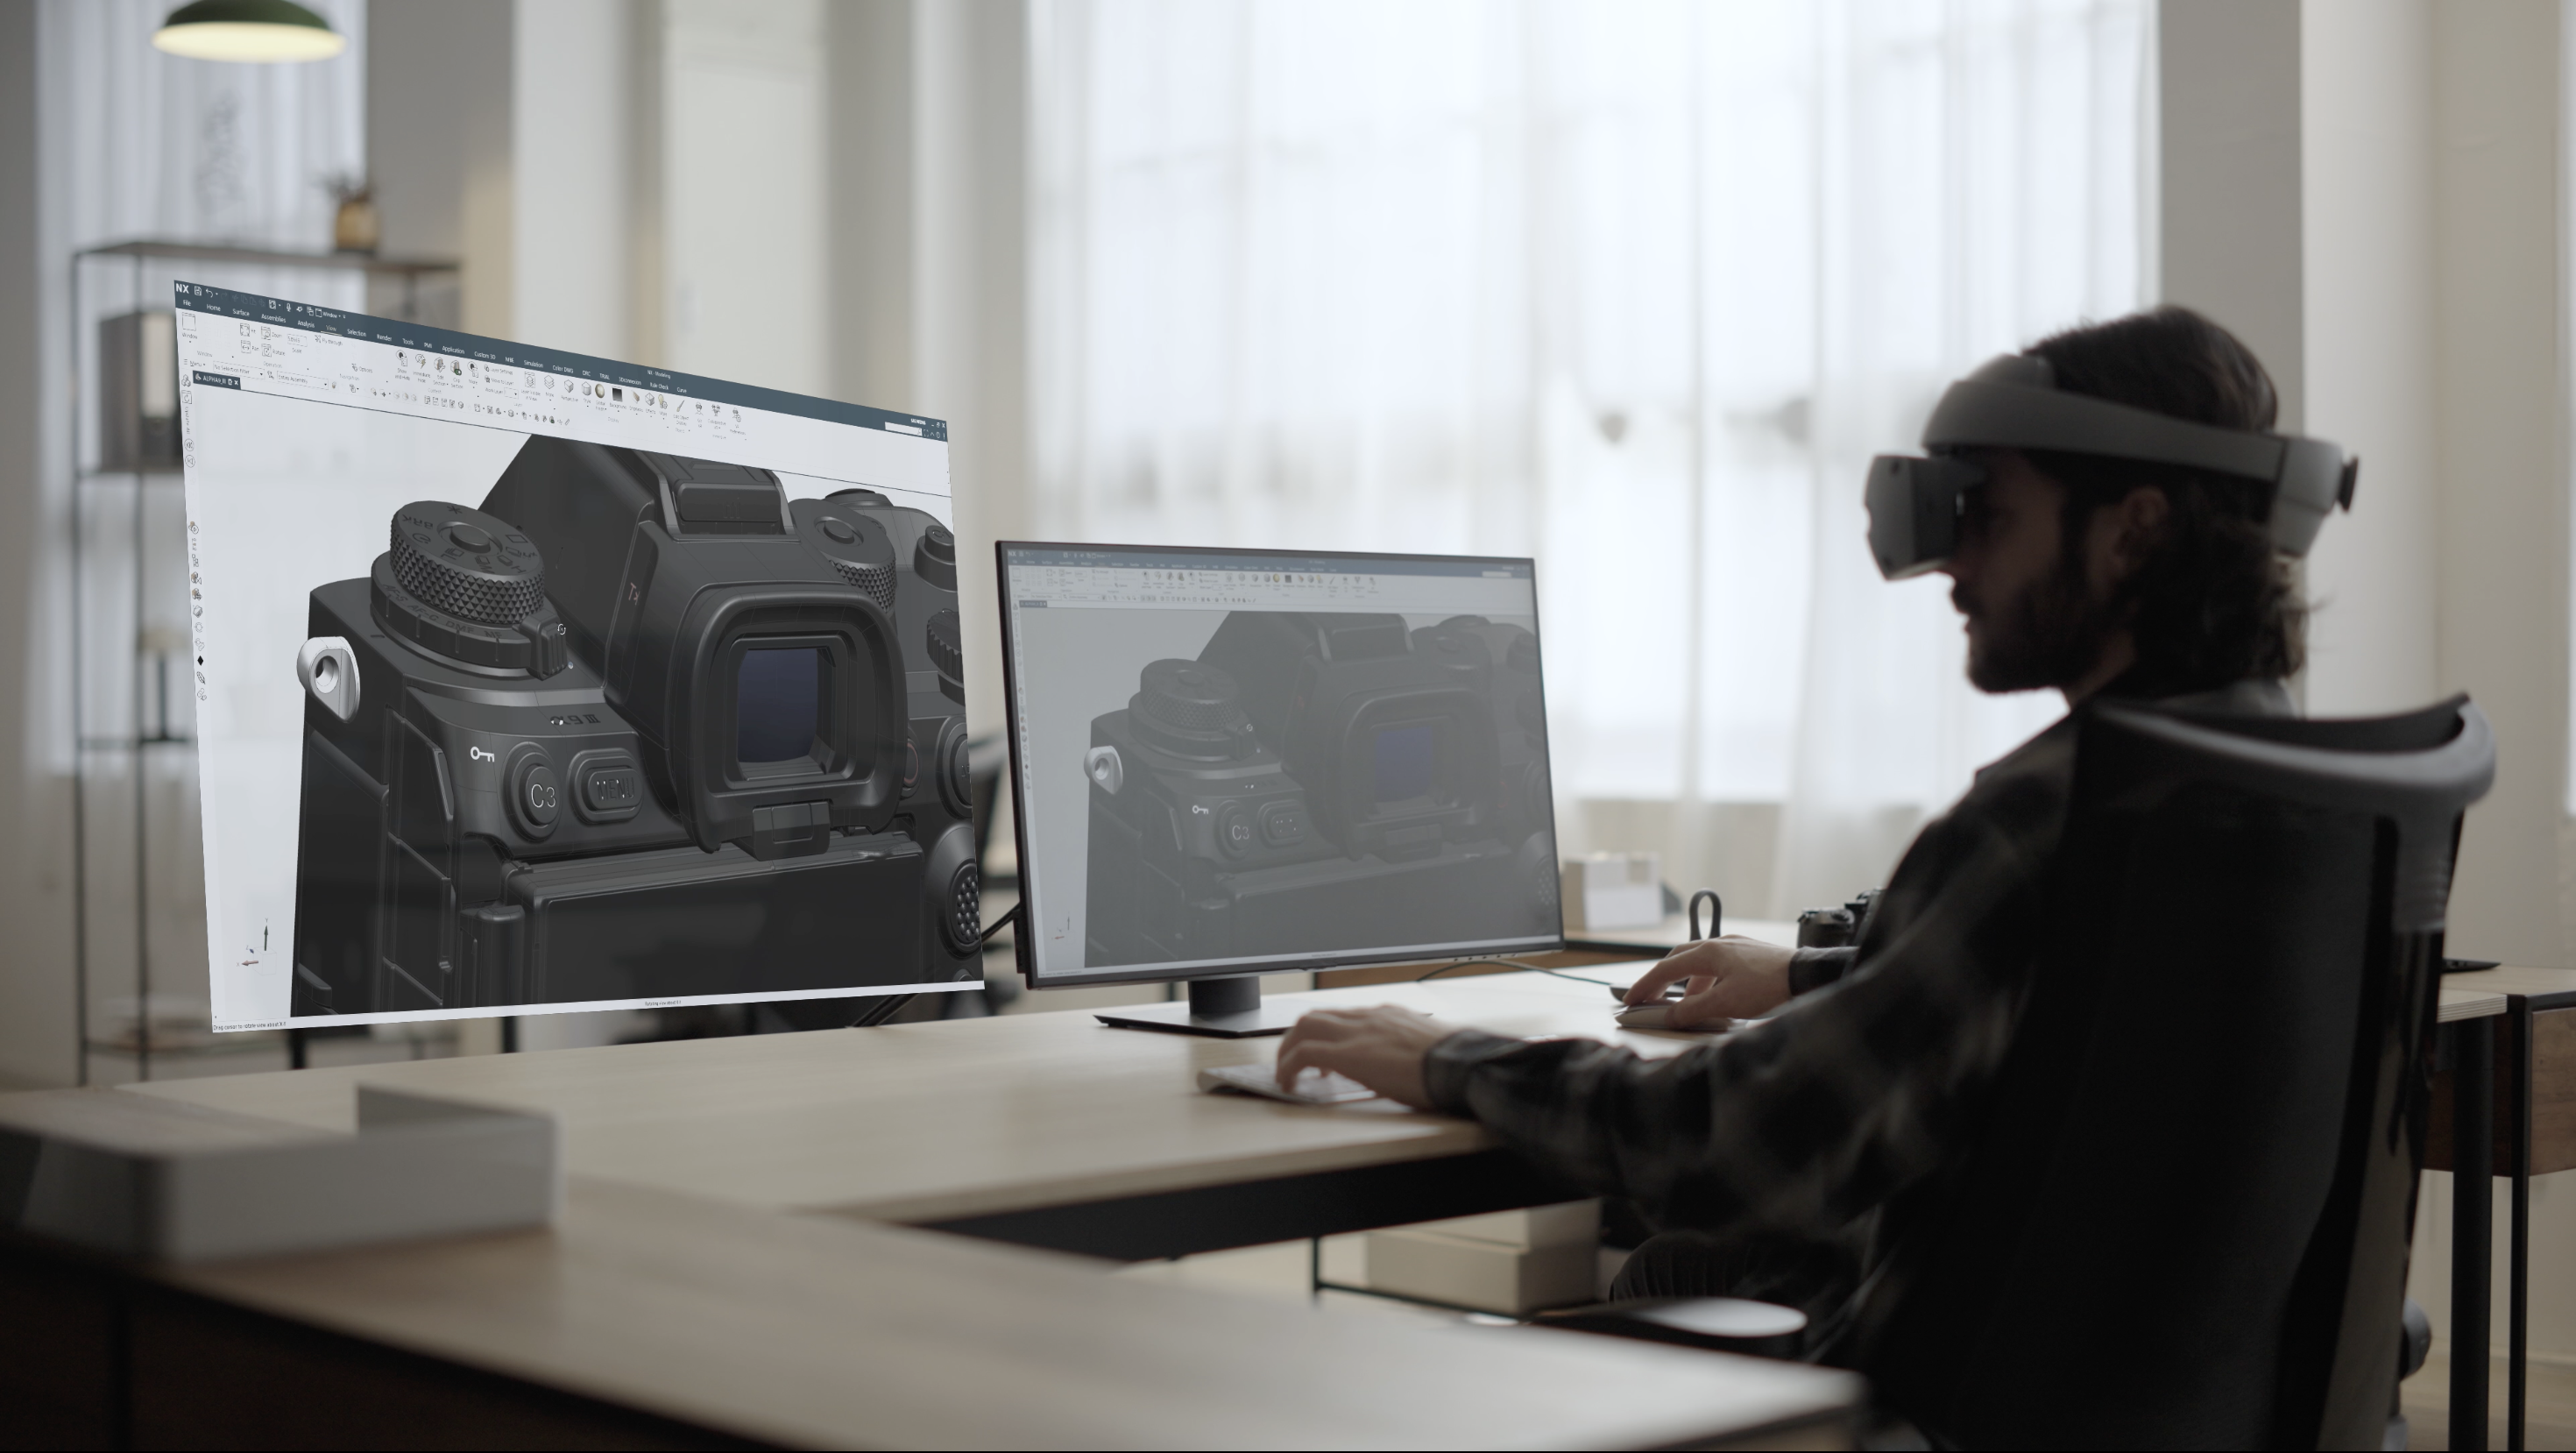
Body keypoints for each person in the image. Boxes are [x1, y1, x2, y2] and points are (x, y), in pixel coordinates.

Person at [1275, 305, 2313, 1354]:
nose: (1952, 564)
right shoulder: (2294, 789)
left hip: (1936, 1401)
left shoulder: (2042, 821)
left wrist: (1452, 1056)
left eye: (1989, 515)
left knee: (1466, 1358)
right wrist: (1822, 977)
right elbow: (2076, 983)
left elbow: (1738, 1145)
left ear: (2132, 528)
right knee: (1679, 1271)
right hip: (2158, 1381)